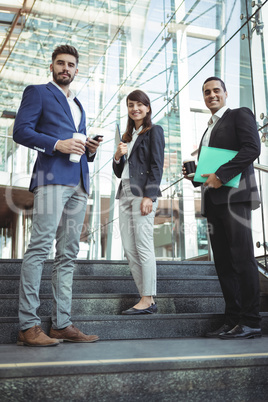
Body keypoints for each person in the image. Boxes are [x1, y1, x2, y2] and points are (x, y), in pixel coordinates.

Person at [13, 45, 101, 346]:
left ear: (77, 70)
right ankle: (28, 325)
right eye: (61, 63)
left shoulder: (78, 104)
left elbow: (79, 145)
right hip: (51, 178)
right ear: (52, 66)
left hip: (79, 182)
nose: (66, 68)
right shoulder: (37, 92)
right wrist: (56, 144)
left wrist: (90, 149)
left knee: (68, 255)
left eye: (71, 64)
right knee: (39, 248)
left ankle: (62, 323)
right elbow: (21, 132)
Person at [183, 77, 261, 339]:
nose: (211, 95)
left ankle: (250, 321)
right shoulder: (208, 129)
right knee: (224, 265)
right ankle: (233, 320)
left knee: (242, 259)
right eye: (207, 92)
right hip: (214, 202)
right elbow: (210, 170)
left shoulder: (240, 115)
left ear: (226, 93)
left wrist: (221, 174)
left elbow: (252, 148)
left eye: (216, 90)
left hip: (235, 198)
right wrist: (195, 175)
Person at [113, 90, 165, 314]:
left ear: (148, 108)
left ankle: (148, 299)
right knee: (129, 248)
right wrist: (117, 155)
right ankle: (144, 297)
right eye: (130, 105)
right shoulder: (127, 137)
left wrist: (149, 196)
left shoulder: (154, 131)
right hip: (123, 192)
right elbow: (118, 171)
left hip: (141, 193)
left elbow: (157, 166)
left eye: (139, 105)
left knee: (143, 245)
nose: (135, 108)